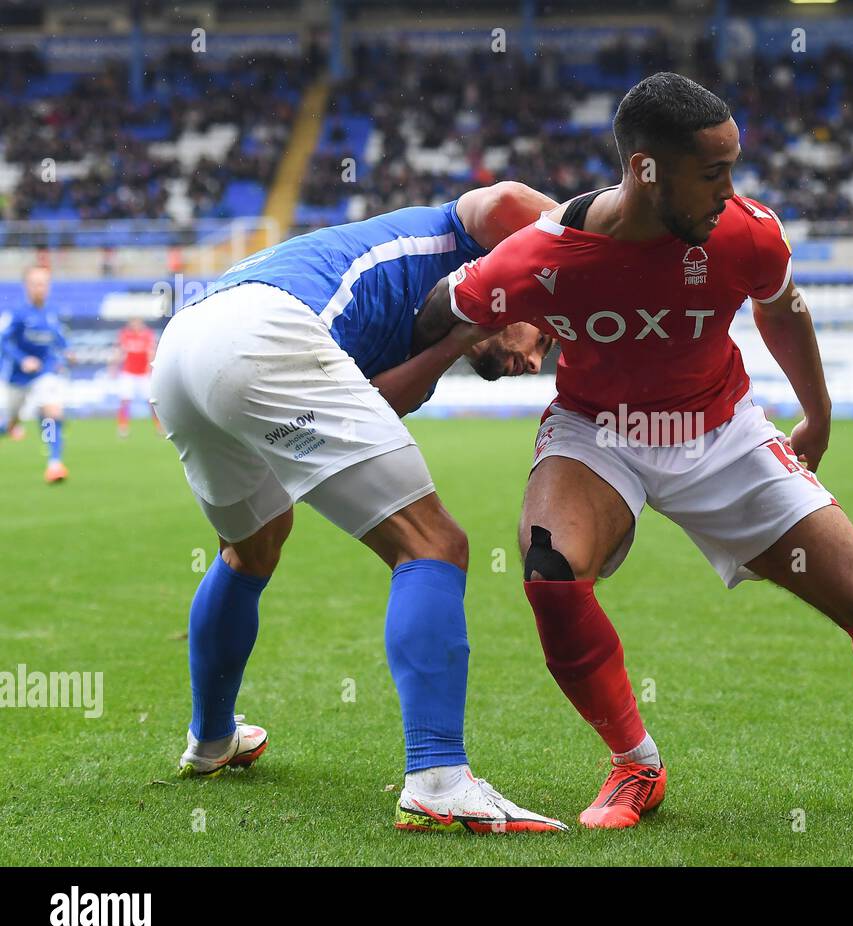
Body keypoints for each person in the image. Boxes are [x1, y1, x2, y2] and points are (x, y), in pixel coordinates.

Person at [401, 73, 853, 829]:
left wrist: (819, 411)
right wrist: (466, 341)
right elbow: (434, 312)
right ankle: (635, 765)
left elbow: (784, 311)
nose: (729, 189)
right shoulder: (540, 256)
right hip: (597, 432)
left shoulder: (745, 231)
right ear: (647, 169)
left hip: (724, 431)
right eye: (713, 172)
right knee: (551, 571)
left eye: (732, 168)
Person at [150, 182, 567, 833]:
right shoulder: (457, 242)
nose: (532, 359)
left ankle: (211, 740)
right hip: (263, 330)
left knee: (253, 544)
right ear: (520, 288)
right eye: (541, 335)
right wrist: (615, 239)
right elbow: (505, 199)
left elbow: (377, 403)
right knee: (433, 544)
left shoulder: (432, 330)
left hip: (185, 350)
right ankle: (438, 781)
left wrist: (461, 339)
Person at [1, 264, 69, 483]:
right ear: (27, 286)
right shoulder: (17, 314)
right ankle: (10, 426)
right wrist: (23, 359)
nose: (41, 288)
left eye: (44, 283)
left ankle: (54, 463)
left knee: (52, 413)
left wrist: (67, 353)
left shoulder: (51, 314)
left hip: (44, 373)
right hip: (16, 378)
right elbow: (4, 341)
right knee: (10, 423)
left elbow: (60, 341)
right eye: (36, 283)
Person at [113, 316, 158, 437]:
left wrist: (150, 369)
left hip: (143, 374)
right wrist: (113, 367)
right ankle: (123, 428)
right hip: (128, 373)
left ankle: (160, 427)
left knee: (151, 402)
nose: (135, 326)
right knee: (125, 400)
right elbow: (119, 352)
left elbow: (151, 353)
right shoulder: (125, 335)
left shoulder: (148, 335)